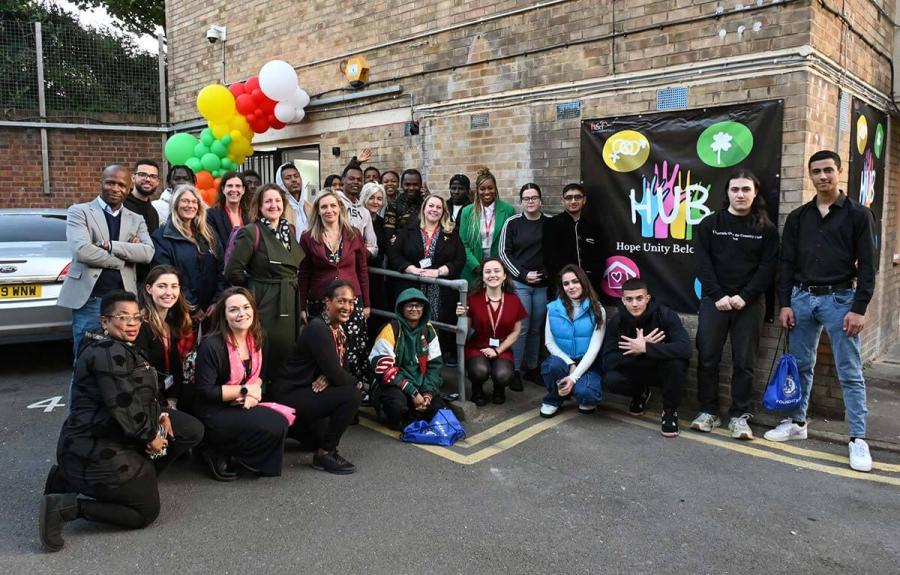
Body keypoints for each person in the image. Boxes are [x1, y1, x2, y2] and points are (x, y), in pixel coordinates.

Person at [40, 291, 203, 551]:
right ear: (105, 321)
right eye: (123, 317)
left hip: (115, 431)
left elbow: (143, 387)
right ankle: (67, 507)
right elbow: (124, 402)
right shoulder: (105, 352)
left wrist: (161, 411)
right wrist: (151, 436)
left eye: (136, 317)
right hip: (95, 443)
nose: (132, 323)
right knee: (144, 512)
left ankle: (69, 479)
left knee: (188, 430)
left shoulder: (121, 343)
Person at [767, 150, 877, 472]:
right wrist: (785, 302)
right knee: (801, 366)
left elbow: (869, 266)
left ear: (840, 172)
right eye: (816, 171)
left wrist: (859, 308)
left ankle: (858, 438)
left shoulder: (858, 215)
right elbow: (786, 263)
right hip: (802, 299)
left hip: (840, 300)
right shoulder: (799, 217)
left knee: (850, 371)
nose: (823, 176)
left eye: (828, 170)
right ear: (810, 176)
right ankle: (798, 422)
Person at [690, 170, 779, 440]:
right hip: (714, 301)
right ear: (727, 193)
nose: (740, 194)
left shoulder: (766, 228)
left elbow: (768, 268)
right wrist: (718, 295)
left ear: (755, 194)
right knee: (707, 357)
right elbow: (702, 262)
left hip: (749, 305)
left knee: (744, 362)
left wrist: (746, 296)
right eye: (735, 189)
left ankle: (739, 417)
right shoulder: (710, 224)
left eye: (746, 190)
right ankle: (708, 412)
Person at [58, 165, 155, 359]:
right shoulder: (80, 212)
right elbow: (83, 251)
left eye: (122, 185)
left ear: (129, 188)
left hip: (125, 302)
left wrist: (110, 246)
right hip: (91, 300)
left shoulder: (136, 219)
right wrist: (124, 258)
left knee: (122, 358)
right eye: (110, 182)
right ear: (101, 183)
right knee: (86, 360)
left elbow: (147, 253)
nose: (116, 189)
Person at [194, 287, 290, 480]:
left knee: (280, 422)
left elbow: (262, 372)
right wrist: (246, 390)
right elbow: (205, 391)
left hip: (243, 402)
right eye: (233, 309)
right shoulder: (211, 345)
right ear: (224, 316)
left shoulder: (259, 335)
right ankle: (214, 450)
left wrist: (253, 395)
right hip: (214, 409)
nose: (242, 314)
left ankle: (242, 458)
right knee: (271, 423)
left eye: (246, 307)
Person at [273, 280, 364, 474]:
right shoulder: (318, 328)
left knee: (318, 437)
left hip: (307, 391)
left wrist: (331, 375)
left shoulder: (338, 330)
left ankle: (287, 432)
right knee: (353, 395)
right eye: (341, 301)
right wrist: (356, 383)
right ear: (327, 302)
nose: (347, 307)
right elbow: (338, 374)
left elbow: (338, 370)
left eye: (351, 302)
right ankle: (325, 454)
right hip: (290, 393)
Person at [225, 184, 304, 376]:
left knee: (287, 349)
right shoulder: (251, 231)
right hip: (266, 302)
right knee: (268, 349)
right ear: (259, 206)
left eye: (277, 201)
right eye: (268, 201)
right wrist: (255, 288)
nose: (273, 205)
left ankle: (284, 392)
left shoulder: (289, 230)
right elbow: (233, 270)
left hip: (289, 297)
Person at [601, 278, 691, 437]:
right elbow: (608, 360)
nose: (634, 304)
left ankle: (669, 412)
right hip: (635, 369)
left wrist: (646, 348)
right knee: (611, 379)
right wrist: (635, 352)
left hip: (661, 370)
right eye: (629, 299)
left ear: (647, 298)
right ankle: (640, 392)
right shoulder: (617, 321)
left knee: (677, 363)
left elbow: (685, 349)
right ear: (623, 300)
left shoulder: (665, 315)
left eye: (639, 298)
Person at [298, 191, 371, 383]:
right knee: (325, 345)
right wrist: (302, 306)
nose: (329, 210)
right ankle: (326, 385)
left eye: (333, 206)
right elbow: (304, 273)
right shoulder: (307, 237)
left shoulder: (353, 234)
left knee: (354, 345)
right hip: (321, 301)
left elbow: (362, 270)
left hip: (351, 300)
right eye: (324, 207)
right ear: (317, 211)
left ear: (340, 208)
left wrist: (366, 304)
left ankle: (356, 386)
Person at [389, 193, 465, 361]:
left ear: (443, 211)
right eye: (431, 206)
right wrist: (411, 269)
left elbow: (460, 260)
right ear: (424, 208)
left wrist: (439, 272)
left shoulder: (451, 233)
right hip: (412, 286)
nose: (434, 210)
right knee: (412, 324)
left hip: (440, 289)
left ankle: (434, 362)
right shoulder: (408, 230)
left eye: (438, 207)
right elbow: (394, 256)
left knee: (436, 326)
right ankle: (409, 360)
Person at [370, 288, 444, 430]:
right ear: (401, 308)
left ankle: (415, 411)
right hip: (395, 384)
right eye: (409, 305)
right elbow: (384, 369)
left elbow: (435, 366)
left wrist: (427, 395)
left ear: (424, 308)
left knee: (438, 409)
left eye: (418, 305)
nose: (414, 309)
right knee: (396, 407)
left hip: (420, 383)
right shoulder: (390, 330)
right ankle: (402, 416)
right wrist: (413, 393)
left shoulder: (428, 330)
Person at [456, 258, 526, 406]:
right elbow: (464, 331)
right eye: (487, 271)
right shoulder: (472, 299)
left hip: (502, 347)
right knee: (479, 371)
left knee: (504, 375)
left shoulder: (514, 300)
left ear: (504, 275)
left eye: (497, 271)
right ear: (482, 276)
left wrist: (498, 350)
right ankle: (477, 389)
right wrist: (461, 317)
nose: (492, 275)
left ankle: (499, 389)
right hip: (477, 346)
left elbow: (516, 332)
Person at [500, 183, 550, 389]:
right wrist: (522, 274)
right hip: (520, 283)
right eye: (526, 198)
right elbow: (504, 253)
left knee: (537, 328)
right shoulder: (512, 223)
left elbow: (556, 252)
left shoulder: (549, 222)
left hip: (542, 285)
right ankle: (516, 371)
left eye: (534, 197)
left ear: (540, 200)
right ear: (521, 201)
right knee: (521, 328)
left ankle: (532, 367)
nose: (530, 201)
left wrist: (546, 273)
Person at [538, 265, 605, 417]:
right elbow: (549, 342)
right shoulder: (553, 308)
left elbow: (594, 348)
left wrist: (574, 377)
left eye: (575, 281)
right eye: (566, 283)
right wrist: (570, 363)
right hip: (563, 360)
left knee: (588, 395)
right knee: (552, 366)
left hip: (587, 362)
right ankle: (555, 398)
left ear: (583, 282)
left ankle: (575, 389)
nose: (571, 287)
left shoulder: (598, 310)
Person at [151, 185, 223, 321]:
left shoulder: (209, 234)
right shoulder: (162, 237)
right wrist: (193, 307)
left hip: (212, 311)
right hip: (180, 312)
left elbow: (222, 268)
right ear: (175, 204)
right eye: (185, 201)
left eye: (194, 201)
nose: (190, 205)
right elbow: (167, 277)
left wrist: (217, 301)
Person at [135, 265, 196, 411]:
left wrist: (173, 399)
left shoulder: (173, 323)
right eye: (162, 286)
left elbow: (175, 369)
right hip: (148, 401)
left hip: (168, 393)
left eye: (174, 286)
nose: (169, 292)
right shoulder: (140, 326)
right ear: (149, 289)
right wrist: (165, 406)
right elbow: (141, 376)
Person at [457, 167, 516, 286]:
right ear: (477, 190)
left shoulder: (508, 210)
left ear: (496, 189)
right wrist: (477, 267)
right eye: (482, 189)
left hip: (498, 270)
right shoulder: (467, 212)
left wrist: (498, 267)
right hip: (473, 270)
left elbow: (512, 243)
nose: (487, 192)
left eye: (490, 188)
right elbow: (464, 244)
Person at [543, 182, 604, 293]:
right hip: (562, 287)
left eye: (577, 197)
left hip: (590, 286)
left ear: (584, 200)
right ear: (562, 201)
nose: (573, 201)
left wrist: (593, 278)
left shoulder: (593, 226)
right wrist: (560, 281)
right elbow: (548, 258)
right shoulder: (551, 224)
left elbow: (600, 257)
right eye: (569, 198)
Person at [361, 182, 390, 338]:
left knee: (378, 316)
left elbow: (385, 248)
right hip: (361, 274)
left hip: (376, 276)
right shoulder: (358, 218)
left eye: (379, 198)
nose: (375, 202)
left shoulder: (381, 221)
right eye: (371, 197)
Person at [336, 162, 379, 257]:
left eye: (359, 180)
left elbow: (374, 247)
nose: (356, 182)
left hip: (355, 266)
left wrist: (362, 253)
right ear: (343, 180)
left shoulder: (364, 211)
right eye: (351, 179)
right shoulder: (333, 202)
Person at [207, 172, 251, 253]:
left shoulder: (250, 215)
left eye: (238, 186)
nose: (234, 190)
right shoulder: (211, 215)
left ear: (243, 190)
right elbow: (214, 245)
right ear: (223, 189)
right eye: (230, 186)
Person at [384, 168, 427, 238]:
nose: (411, 188)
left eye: (415, 184)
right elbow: (389, 235)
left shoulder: (427, 204)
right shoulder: (394, 205)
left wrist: (429, 200)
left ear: (420, 185)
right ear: (401, 185)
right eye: (407, 184)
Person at [275, 162, 312, 240]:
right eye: (288, 178)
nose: (294, 180)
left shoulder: (310, 207)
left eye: (296, 176)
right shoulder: (279, 208)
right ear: (280, 182)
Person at [123, 159, 160, 234]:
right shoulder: (121, 205)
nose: (148, 179)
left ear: (157, 182)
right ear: (133, 178)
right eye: (143, 174)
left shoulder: (153, 213)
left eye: (153, 176)